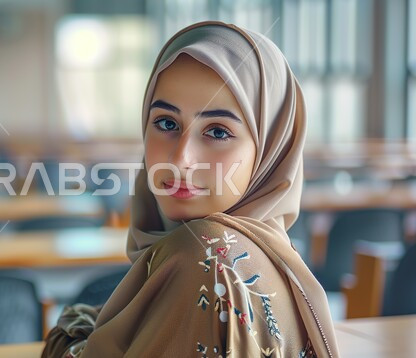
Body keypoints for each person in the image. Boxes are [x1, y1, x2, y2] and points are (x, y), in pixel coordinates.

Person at [42, 20, 339, 357]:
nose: (181, 160)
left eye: (217, 132)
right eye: (167, 123)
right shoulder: (272, 255)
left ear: (271, 147)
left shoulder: (202, 252)